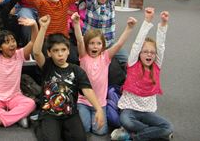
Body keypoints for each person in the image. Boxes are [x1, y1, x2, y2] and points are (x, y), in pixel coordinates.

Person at [32, 15, 105, 141]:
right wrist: (43, 28)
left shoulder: (76, 70)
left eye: (63, 50)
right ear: (49, 53)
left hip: (70, 114)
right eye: (55, 51)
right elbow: (37, 52)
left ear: (68, 51)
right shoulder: (47, 65)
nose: (60, 54)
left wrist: (98, 109)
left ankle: (60, 130)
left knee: (80, 139)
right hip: (50, 114)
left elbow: (87, 90)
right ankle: (39, 125)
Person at [111, 7, 174, 141]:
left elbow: (161, 47)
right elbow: (137, 44)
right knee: (126, 121)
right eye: (145, 52)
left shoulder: (156, 66)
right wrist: (147, 21)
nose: (149, 54)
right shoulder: (133, 63)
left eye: (152, 52)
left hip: (147, 112)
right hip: (129, 110)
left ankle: (132, 136)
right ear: (140, 53)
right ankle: (155, 134)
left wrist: (163, 25)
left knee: (168, 127)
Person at [72, 12, 137, 135]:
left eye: (98, 43)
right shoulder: (84, 56)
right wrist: (76, 24)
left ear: (103, 46)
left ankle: (94, 118)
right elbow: (80, 41)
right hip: (83, 102)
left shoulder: (105, 57)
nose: (95, 46)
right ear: (87, 45)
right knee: (84, 129)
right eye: (91, 43)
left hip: (100, 103)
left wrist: (129, 28)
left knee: (100, 132)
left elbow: (118, 45)